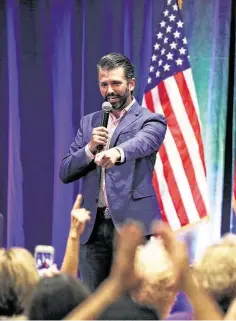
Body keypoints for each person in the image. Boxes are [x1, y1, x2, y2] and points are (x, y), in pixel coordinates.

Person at [59, 52, 167, 291]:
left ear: (131, 84)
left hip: (133, 227)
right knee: (93, 302)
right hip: (93, 230)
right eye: (104, 84)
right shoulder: (89, 123)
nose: (110, 90)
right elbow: (66, 171)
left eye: (116, 83)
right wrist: (89, 149)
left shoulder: (152, 120)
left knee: (134, 302)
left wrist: (116, 153)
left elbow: (143, 143)